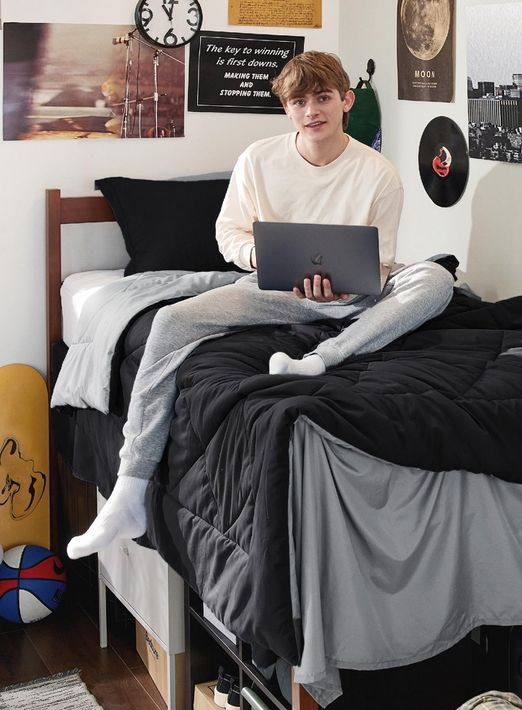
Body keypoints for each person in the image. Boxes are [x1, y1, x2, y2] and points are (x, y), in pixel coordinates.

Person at [67, 50, 454, 560]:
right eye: (299, 102)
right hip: (271, 290)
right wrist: (264, 259)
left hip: (354, 301)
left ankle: (320, 360)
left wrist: (348, 288)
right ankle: (129, 490)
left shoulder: (379, 174)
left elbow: (380, 263)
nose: (312, 110)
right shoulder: (258, 160)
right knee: (168, 320)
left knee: (436, 279)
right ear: (287, 110)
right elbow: (228, 235)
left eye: (322, 98)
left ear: (345, 101)